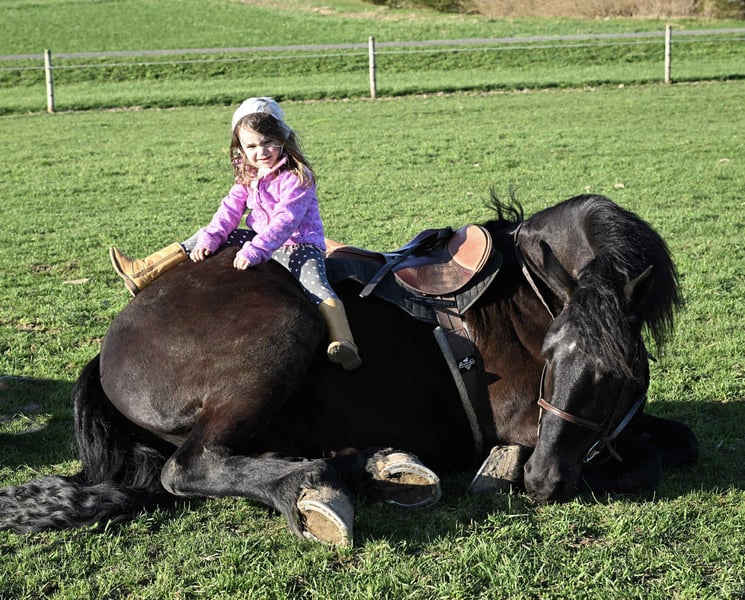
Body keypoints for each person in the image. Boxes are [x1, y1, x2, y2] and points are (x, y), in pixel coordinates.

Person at [109, 97, 361, 370]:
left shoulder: (297, 177)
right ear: (240, 148)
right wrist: (211, 238)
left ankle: (344, 341)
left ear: (282, 139)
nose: (260, 151)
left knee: (317, 287)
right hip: (260, 241)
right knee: (206, 234)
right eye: (251, 146)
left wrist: (256, 250)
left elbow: (286, 220)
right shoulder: (249, 175)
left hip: (298, 245)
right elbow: (229, 210)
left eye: (267, 142)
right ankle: (145, 271)